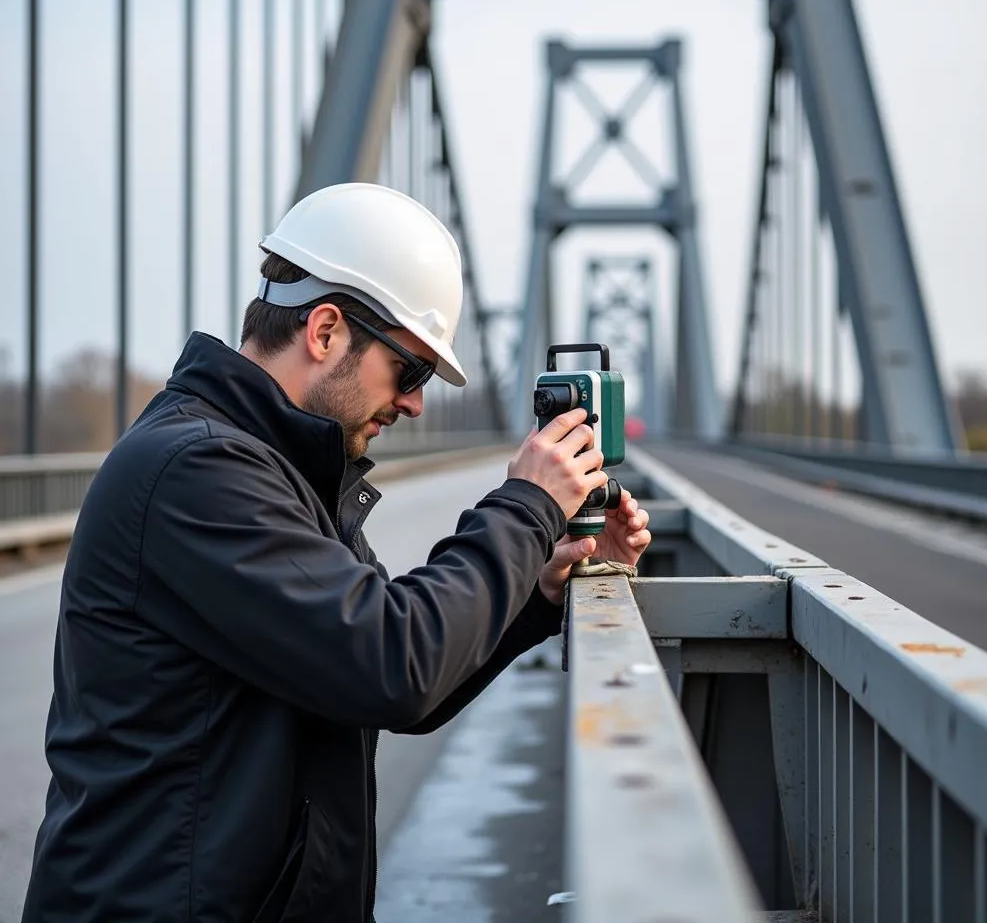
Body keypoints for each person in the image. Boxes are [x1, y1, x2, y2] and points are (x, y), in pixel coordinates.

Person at [21, 183, 652, 923]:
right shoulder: (194, 473)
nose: (416, 403)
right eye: (411, 371)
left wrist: (540, 587)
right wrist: (528, 505)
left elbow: (396, 686)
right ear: (325, 332)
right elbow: (393, 663)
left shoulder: (284, 470)